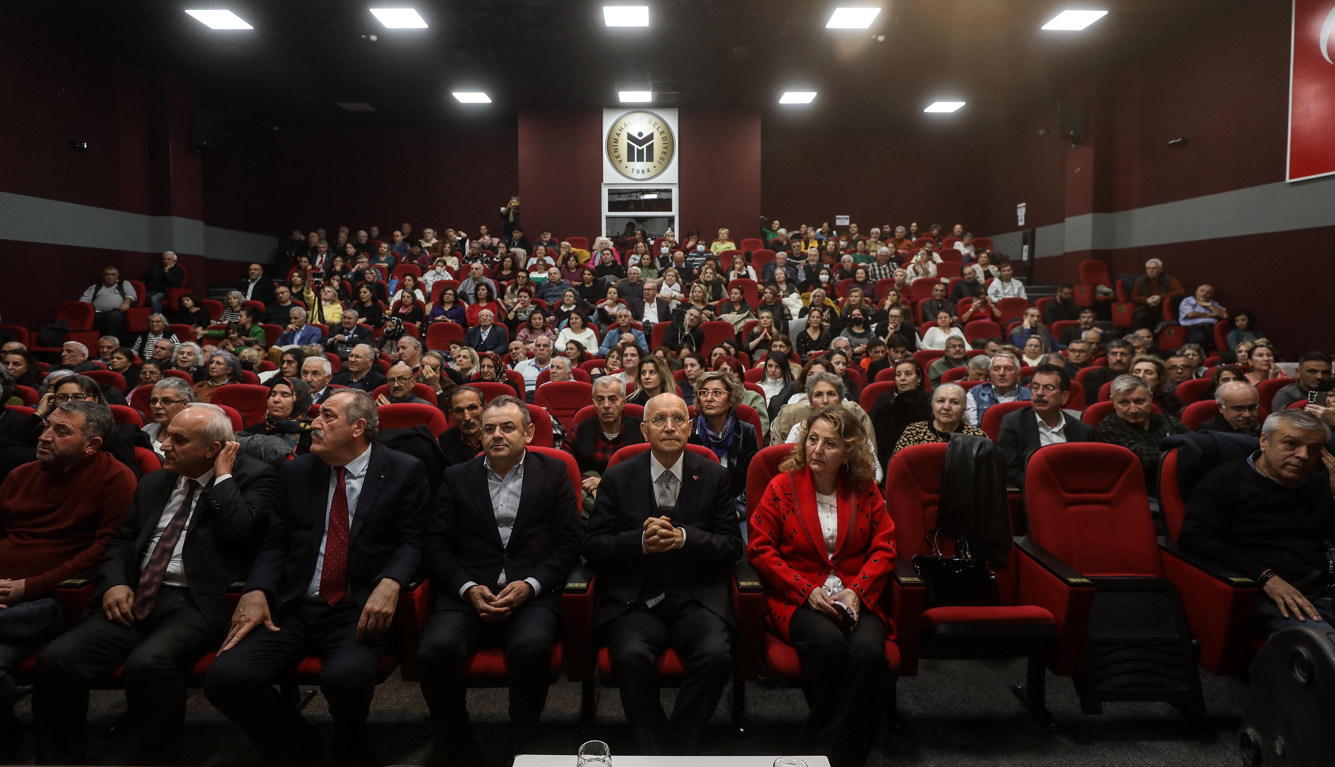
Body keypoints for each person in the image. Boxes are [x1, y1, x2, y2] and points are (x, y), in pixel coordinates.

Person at [33, 405, 275, 765]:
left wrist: (221, 477)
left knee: (149, 664)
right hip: (136, 593)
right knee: (56, 659)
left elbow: (240, 531)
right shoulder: (155, 481)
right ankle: (61, 760)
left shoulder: (255, 477)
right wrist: (114, 583)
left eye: (179, 440)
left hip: (196, 602)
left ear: (214, 449)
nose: (163, 446)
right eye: (166, 435)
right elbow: (121, 540)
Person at [203, 390, 429, 767]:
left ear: (358, 427)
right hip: (294, 604)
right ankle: (300, 746)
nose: (314, 425)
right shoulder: (296, 471)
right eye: (316, 417)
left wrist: (391, 581)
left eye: (327, 417)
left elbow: (413, 540)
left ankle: (349, 749)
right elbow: (276, 542)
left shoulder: (404, 470)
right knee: (225, 678)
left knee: (346, 679)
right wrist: (258, 587)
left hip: (356, 606)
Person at [417, 396, 580, 760]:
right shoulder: (457, 476)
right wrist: (469, 588)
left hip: (532, 593)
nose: (497, 435)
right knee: (433, 651)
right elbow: (436, 544)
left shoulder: (552, 473)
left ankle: (519, 747)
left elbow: (570, 542)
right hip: (468, 593)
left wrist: (531, 585)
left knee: (532, 649)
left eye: (507, 427)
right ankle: (459, 744)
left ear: (529, 432)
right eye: (489, 428)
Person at [582, 393, 742, 755]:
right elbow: (593, 545)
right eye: (659, 420)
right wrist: (639, 541)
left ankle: (677, 754)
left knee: (716, 655)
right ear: (643, 429)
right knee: (629, 657)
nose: (669, 426)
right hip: (635, 598)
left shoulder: (715, 475)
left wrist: (685, 538)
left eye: (677, 419)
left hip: (696, 595)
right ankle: (655, 753)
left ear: (689, 427)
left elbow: (733, 546)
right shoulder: (619, 475)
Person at [746, 406, 895, 767]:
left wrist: (857, 591)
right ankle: (842, 753)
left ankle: (817, 752)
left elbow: (885, 545)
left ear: (848, 451)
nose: (817, 449)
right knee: (828, 645)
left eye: (830, 443)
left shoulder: (864, 488)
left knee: (870, 655)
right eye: (812, 439)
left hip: (854, 595)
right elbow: (760, 547)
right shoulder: (782, 485)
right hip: (796, 597)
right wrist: (805, 590)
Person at [0, 402, 136, 727]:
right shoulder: (20, 475)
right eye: (46, 426)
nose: (45, 437)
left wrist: (27, 587)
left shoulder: (114, 477)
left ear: (91, 445)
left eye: (61, 432)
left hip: (51, 596)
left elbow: (106, 549)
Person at [1178, 410, 1335, 638]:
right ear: (1264, 441)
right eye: (1291, 444)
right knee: (1327, 654)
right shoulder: (1225, 480)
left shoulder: (1319, 485)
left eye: (1313, 449)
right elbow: (1194, 538)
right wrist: (1265, 577)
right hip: (1268, 594)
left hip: (1323, 587)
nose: (1302, 455)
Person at [997, 364, 1096, 488]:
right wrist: (1045, 487)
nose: (1039, 393)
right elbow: (1009, 472)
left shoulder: (1083, 431)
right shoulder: (1014, 423)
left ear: (1064, 397)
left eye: (1048, 388)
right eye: (1035, 387)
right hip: (1036, 493)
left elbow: (1088, 473)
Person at [561, 378, 645, 513]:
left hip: (629, 491)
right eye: (600, 400)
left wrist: (604, 483)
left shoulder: (642, 430)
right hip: (587, 491)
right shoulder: (579, 430)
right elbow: (564, 466)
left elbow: (649, 468)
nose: (606, 405)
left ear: (623, 402)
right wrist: (589, 483)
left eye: (612, 399)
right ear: (593, 402)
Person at [1095, 375, 1190, 493]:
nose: (1133, 409)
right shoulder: (1108, 428)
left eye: (1139, 401)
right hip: (1138, 492)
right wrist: (1183, 455)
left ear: (1151, 397)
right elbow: (1140, 458)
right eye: (1124, 403)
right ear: (1113, 402)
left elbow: (1194, 444)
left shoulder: (1168, 421)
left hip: (1182, 485)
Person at [687, 371, 761, 522]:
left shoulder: (746, 432)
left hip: (735, 508)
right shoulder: (688, 431)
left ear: (731, 400)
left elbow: (755, 479)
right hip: (695, 510)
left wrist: (739, 509)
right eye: (704, 393)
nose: (709, 398)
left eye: (717, 393)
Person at [892, 381, 987, 454]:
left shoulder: (977, 438)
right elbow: (898, 466)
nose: (946, 407)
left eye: (954, 402)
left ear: (963, 409)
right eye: (941, 401)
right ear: (933, 406)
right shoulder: (913, 432)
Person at [965, 353, 1031, 427]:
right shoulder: (974, 394)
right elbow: (972, 429)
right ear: (990, 374)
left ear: (1018, 375)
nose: (1001, 373)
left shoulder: (1031, 395)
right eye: (996, 369)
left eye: (1008, 369)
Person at [79, 265, 136, 337]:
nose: (110, 277)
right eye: (107, 275)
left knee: (113, 317)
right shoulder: (96, 286)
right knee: (88, 317)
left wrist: (126, 303)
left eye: (113, 275)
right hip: (97, 312)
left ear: (117, 276)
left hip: (116, 311)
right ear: (103, 276)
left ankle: (110, 340)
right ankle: (91, 339)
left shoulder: (124, 284)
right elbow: (84, 300)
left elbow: (130, 295)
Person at [1131, 258, 1186, 331]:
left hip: (1163, 307)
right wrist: (1147, 300)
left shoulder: (1168, 279)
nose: (1151, 271)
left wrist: (1161, 297)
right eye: (1148, 268)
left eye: (1154, 268)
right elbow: (1134, 296)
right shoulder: (1140, 280)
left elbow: (1180, 291)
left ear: (1160, 270)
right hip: (1146, 307)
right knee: (1139, 317)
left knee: (1164, 320)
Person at [439, 386, 485, 468]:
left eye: (472, 408)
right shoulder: (445, 441)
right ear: (452, 415)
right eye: (459, 411)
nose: (467, 418)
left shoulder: (498, 436)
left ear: (484, 408)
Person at [1193, 381, 1262, 436]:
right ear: (1221, 408)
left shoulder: (1264, 428)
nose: (1247, 415)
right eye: (1238, 408)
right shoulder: (1208, 431)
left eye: (1252, 407)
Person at [513, 337, 555, 402]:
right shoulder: (520, 366)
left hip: (552, 400)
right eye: (538, 345)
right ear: (534, 350)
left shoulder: (559, 366)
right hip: (526, 402)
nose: (541, 348)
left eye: (545, 346)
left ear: (551, 351)